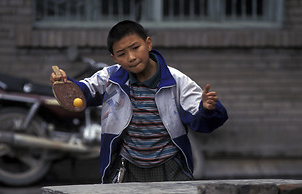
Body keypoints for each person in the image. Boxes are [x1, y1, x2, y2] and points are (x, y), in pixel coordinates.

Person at [50, 20, 228, 183]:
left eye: (136, 48)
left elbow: (203, 120)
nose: (131, 57)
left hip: (170, 168)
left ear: (148, 44)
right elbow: (84, 91)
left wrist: (207, 109)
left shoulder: (176, 80)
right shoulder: (111, 78)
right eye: (122, 53)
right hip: (127, 168)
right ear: (114, 58)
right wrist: (66, 86)